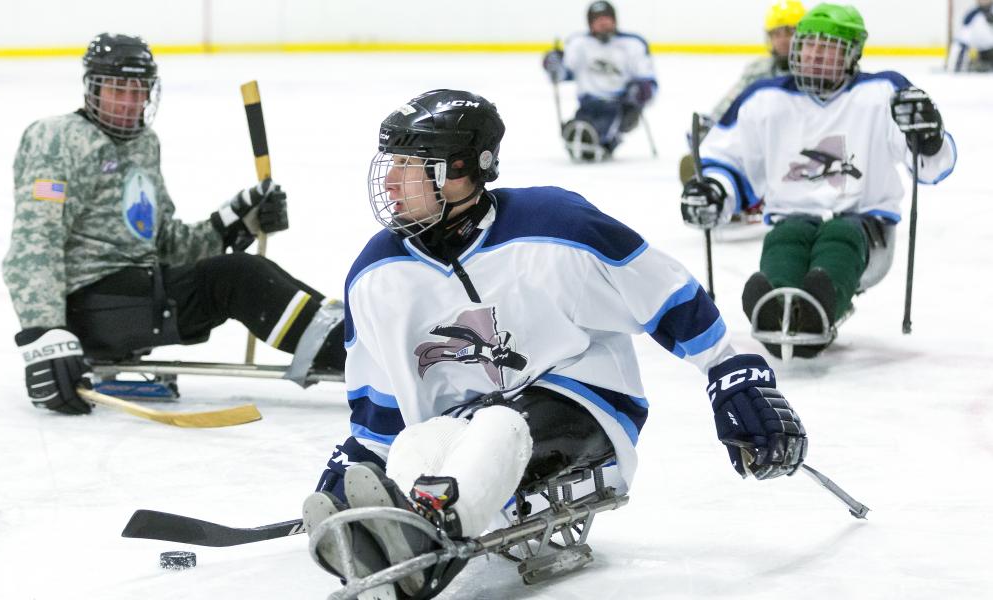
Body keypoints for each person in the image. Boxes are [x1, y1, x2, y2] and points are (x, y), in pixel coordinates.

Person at [301, 89, 807, 599]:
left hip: (584, 402)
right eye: (392, 162)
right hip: (459, 431)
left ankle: (429, 545)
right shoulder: (376, 275)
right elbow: (382, 402)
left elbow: (661, 288)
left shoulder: (557, 225)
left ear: (461, 170)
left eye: (410, 164)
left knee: (500, 426)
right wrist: (359, 457)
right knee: (417, 444)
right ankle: (401, 526)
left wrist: (728, 369)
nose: (390, 180)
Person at [3, 33, 346, 415]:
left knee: (252, 271)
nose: (130, 103)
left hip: (135, 292)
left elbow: (164, 242)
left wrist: (233, 220)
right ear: (92, 88)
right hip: (88, 305)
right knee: (237, 277)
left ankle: (352, 334)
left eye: (140, 90)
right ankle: (347, 352)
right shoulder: (56, 138)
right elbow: (34, 246)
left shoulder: (144, 143)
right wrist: (46, 336)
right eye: (118, 88)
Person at [680, 4, 958, 358]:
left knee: (838, 235)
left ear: (852, 53)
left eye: (827, 47)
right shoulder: (765, 98)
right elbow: (729, 160)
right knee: (785, 238)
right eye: (808, 45)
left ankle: (819, 308)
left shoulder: (883, 92)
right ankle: (773, 300)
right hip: (792, 218)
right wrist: (715, 189)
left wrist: (929, 136)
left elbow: (932, 167)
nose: (814, 55)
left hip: (864, 227)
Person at [679, 1, 808, 217]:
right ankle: (729, 194)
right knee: (712, 156)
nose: (783, 39)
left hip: (798, 149)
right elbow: (732, 102)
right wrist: (710, 125)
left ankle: (753, 196)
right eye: (777, 33)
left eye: (790, 32)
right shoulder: (758, 70)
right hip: (759, 142)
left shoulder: (815, 73)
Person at [542, 1, 658, 161]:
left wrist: (641, 91)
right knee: (579, 129)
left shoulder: (633, 44)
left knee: (598, 130)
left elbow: (648, 79)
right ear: (590, 23)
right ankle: (585, 135)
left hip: (619, 105)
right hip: (588, 103)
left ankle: (605, 139)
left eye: (607, 18)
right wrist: (553, 65)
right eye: (597, 19)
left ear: (615, 20)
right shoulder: (579, 43)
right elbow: (564, 73)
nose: (603, 22)